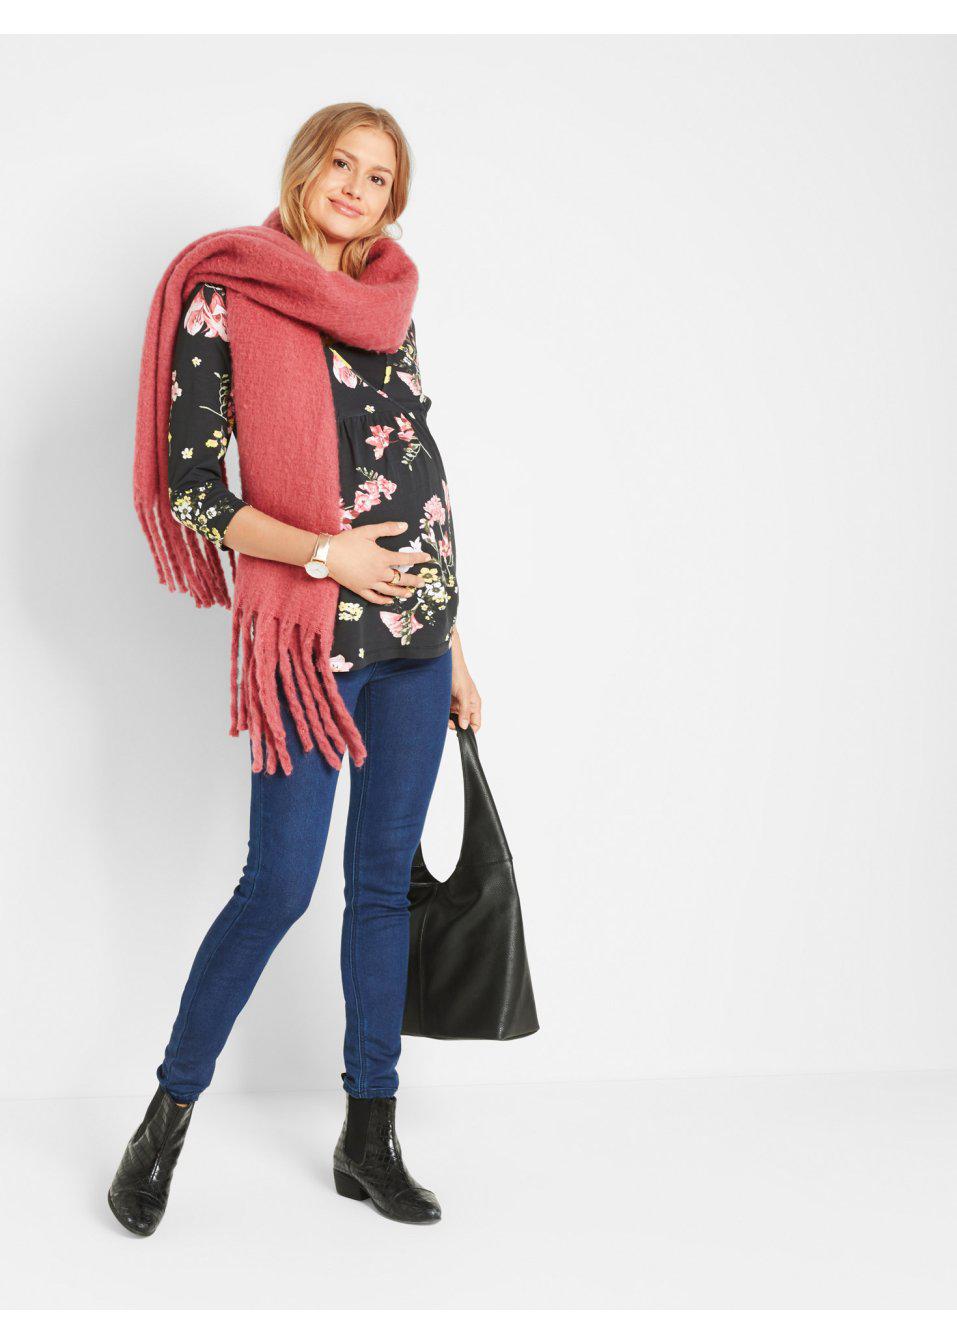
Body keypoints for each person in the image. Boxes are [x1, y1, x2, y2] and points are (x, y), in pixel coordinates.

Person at [109, 104, 481, 1235]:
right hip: (309, 646)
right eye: (344, 164)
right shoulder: (228, 294)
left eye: (381, 177)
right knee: (276, 888)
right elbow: (193, 491)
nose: (359, 188)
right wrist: (326, 554)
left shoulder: (391, 306)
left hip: (417, 646)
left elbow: (416, 467)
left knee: (383, 889)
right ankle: (165, 1120)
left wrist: (457, 646)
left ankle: (370, 1135)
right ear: (307, 166)